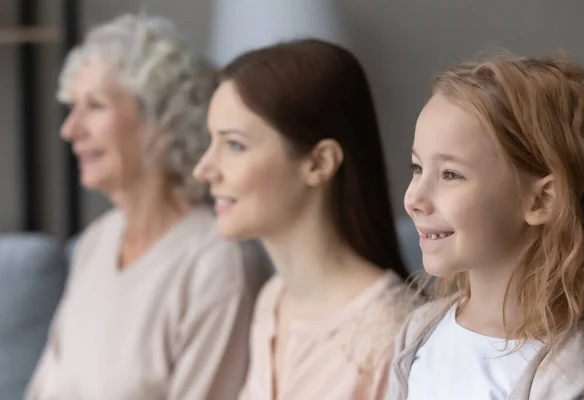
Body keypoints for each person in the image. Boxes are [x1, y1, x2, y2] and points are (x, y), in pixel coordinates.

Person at [26, 14, 269, 400]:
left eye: (95, 106)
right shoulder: (97, 242)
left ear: (161, 119)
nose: (69, 129)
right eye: (74, 106)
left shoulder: (218, 263)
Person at [193, 38, 417, 400]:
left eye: (234, 145)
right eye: (211, 141)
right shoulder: (273, 300)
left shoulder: (392, 333)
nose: (203, 170)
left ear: (319, 163)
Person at [386, 55, 584, 400]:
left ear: (541, 201)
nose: (414, 198)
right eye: (417, 168)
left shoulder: (576, 373)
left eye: (450, 174)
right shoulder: (419, 331)